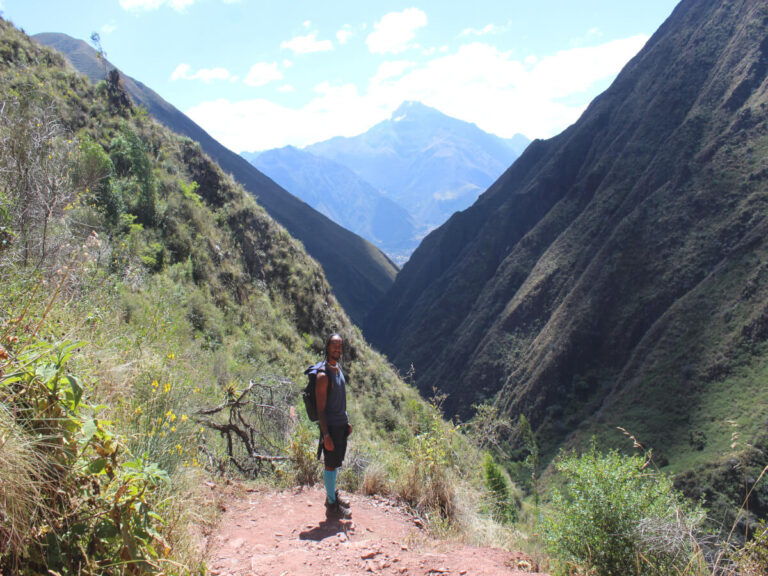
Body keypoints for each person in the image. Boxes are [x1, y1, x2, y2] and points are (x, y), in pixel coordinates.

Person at [316, 333, 352, 519]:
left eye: (339, 346)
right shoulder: (323, 376)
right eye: (334, 345)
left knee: (335, 462)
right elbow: (321, 410)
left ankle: (332, 495)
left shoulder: (338, 369)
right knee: (330, 465)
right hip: (330, 427)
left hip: (340, 425)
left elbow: (339, 400)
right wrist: (326, 435)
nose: (337, 349)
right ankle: (331, 504)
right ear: (327, 347)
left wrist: (346, 422)